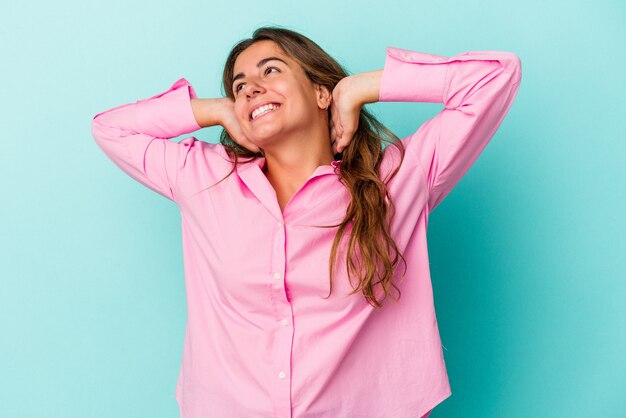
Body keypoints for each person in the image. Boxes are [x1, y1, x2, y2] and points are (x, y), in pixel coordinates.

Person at [91, 26, 521, 418]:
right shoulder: (202, 177)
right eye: (240, 87)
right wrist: (217, 110)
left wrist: (359, 88)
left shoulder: (396, 179)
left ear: (321, 93)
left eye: (270, 71)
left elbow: (495, 77)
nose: (251, 90)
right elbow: (110, 129)